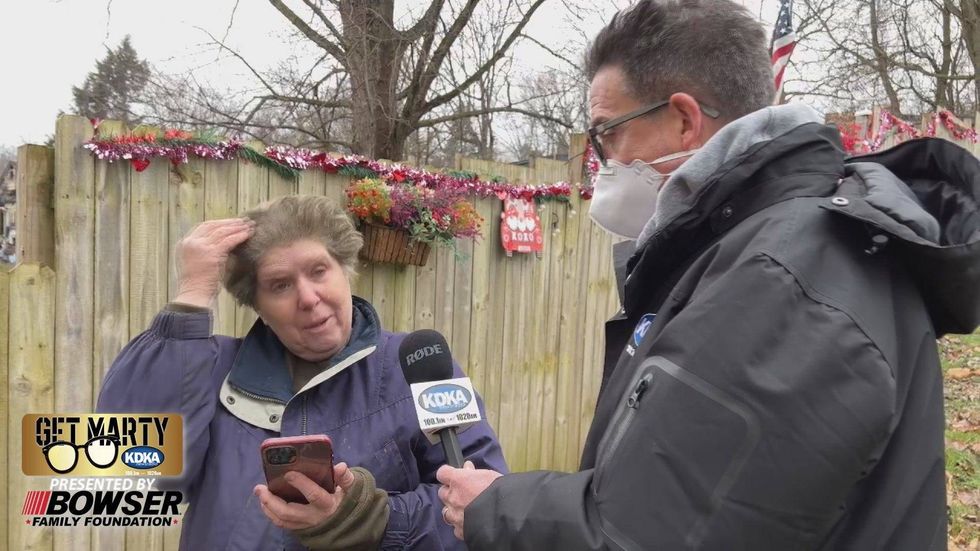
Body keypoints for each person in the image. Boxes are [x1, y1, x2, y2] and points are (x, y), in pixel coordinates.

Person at [436, 0, 980, 549]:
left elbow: (654, 535)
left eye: (606, 134)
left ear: (683, 119)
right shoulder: (760, 246)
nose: (600, 161)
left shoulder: (786, 281)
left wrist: (495, 508)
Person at [97, 195, 507, 550]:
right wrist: (190, 299)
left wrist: (369, 520)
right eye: (279, 285)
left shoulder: (414, 365)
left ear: (344, 268)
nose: (308, 298)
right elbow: (132, 477)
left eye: (318, 271)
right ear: (256, 304)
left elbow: (485, 506)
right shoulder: (211, 368)